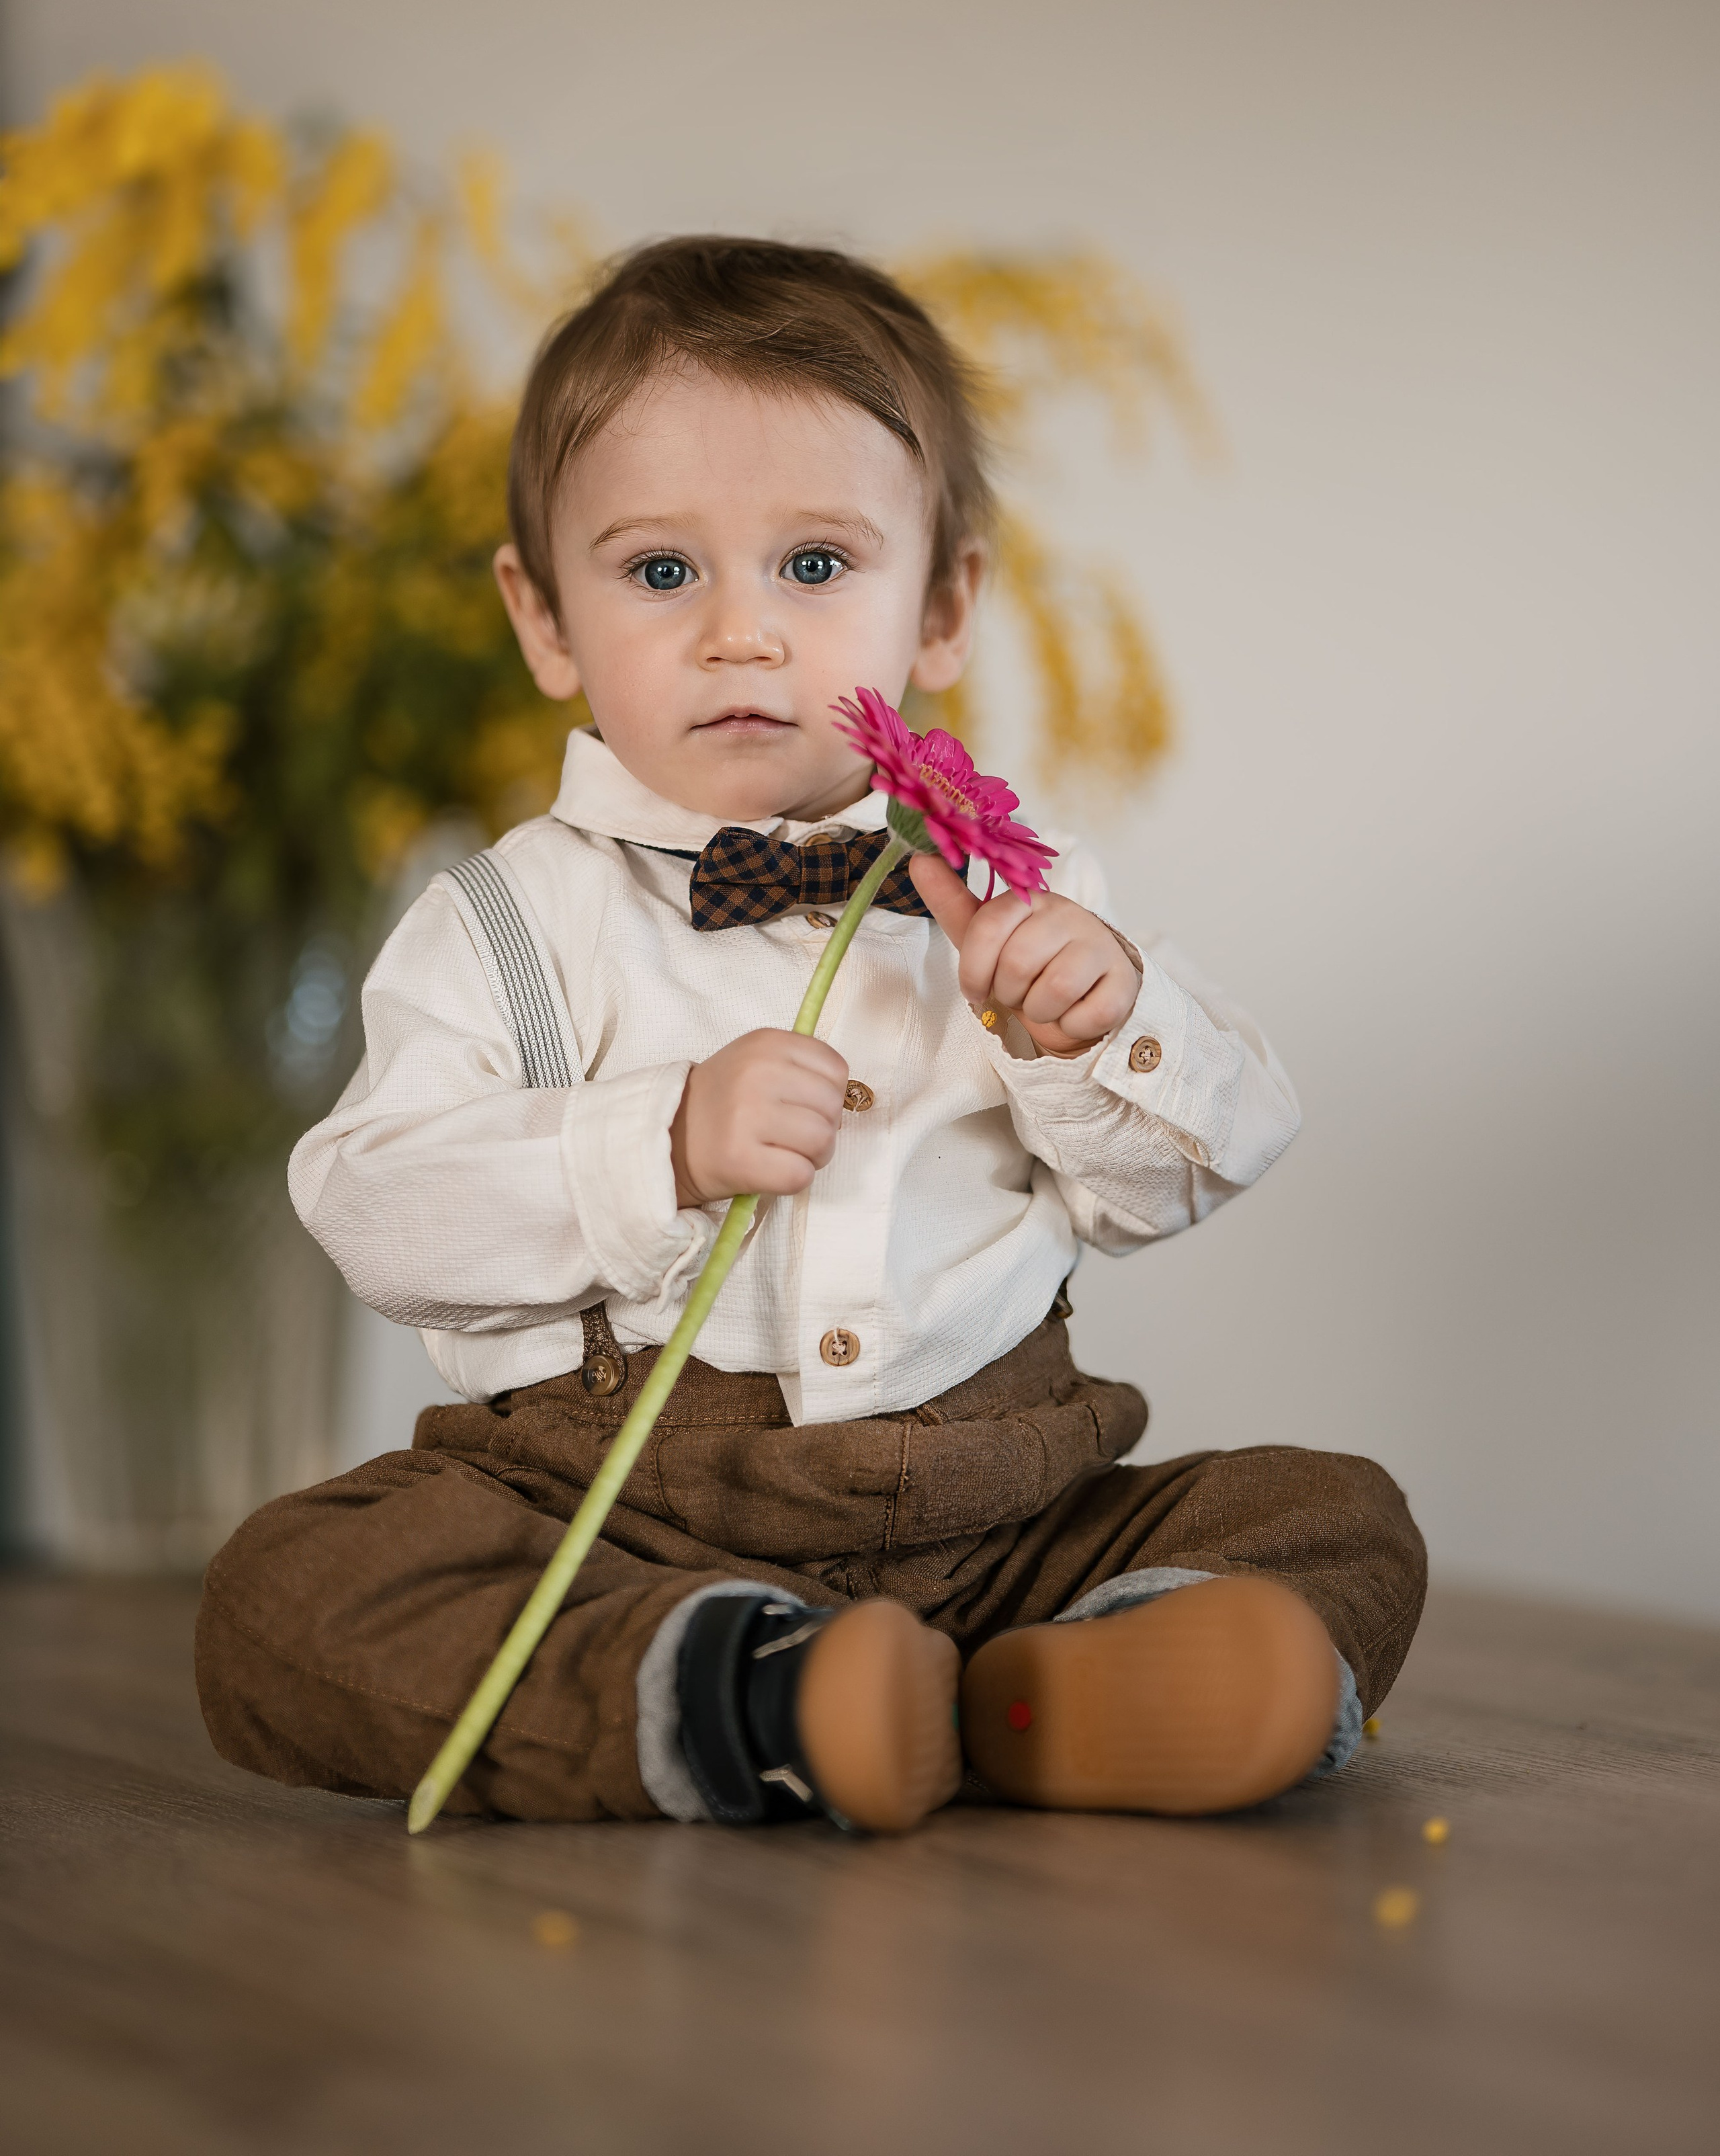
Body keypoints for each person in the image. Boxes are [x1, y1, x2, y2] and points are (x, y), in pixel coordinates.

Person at [196, 237, 1425, 1833]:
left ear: (945, 604)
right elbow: (371, 1207)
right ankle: (750, 1688)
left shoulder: (1010, 895)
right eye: (658, 573)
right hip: (618, 1517)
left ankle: (1060, 1683)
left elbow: (1185, 1174)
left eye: (814, 567)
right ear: (544, 618)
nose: (738, 635)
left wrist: (1093, 1025)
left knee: (1335, 1515)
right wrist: (655, 1146)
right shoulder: (500, 923)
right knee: (283, 1591)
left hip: (1004, 1516)